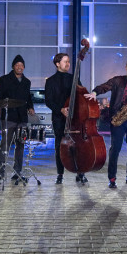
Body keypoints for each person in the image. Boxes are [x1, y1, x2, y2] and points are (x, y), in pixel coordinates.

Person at [84, 58, 127, 188]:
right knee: (115, 149)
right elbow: (104, 87)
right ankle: (112, 178)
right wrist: (95, 92)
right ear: (126, 67)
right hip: (118, 118)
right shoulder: (118, 80)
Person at [0, 54, 35, 184]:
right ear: (13, 67)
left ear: (24, 67)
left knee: (20, 145)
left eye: (21, 65)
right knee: (5, 145)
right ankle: (0, 174)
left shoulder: (27, 82)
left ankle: (17, 172)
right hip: (9, 117)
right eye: (17, 65)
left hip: (22, 118)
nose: (19, 67)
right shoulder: (5, 79)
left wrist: (30, 107)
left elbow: (28, 97)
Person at [44, 52, 74, 184]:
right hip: (58, 118)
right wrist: (61, 109)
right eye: (65, 61)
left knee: (77, 146)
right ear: (57, 64)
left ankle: (80, 172)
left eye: (68, 62)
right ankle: (60, 174)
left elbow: (81, 95)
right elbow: (48, 101)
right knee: (59, 146)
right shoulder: (50, 81)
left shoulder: (73, 78)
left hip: (74, 117)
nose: (68, 64)